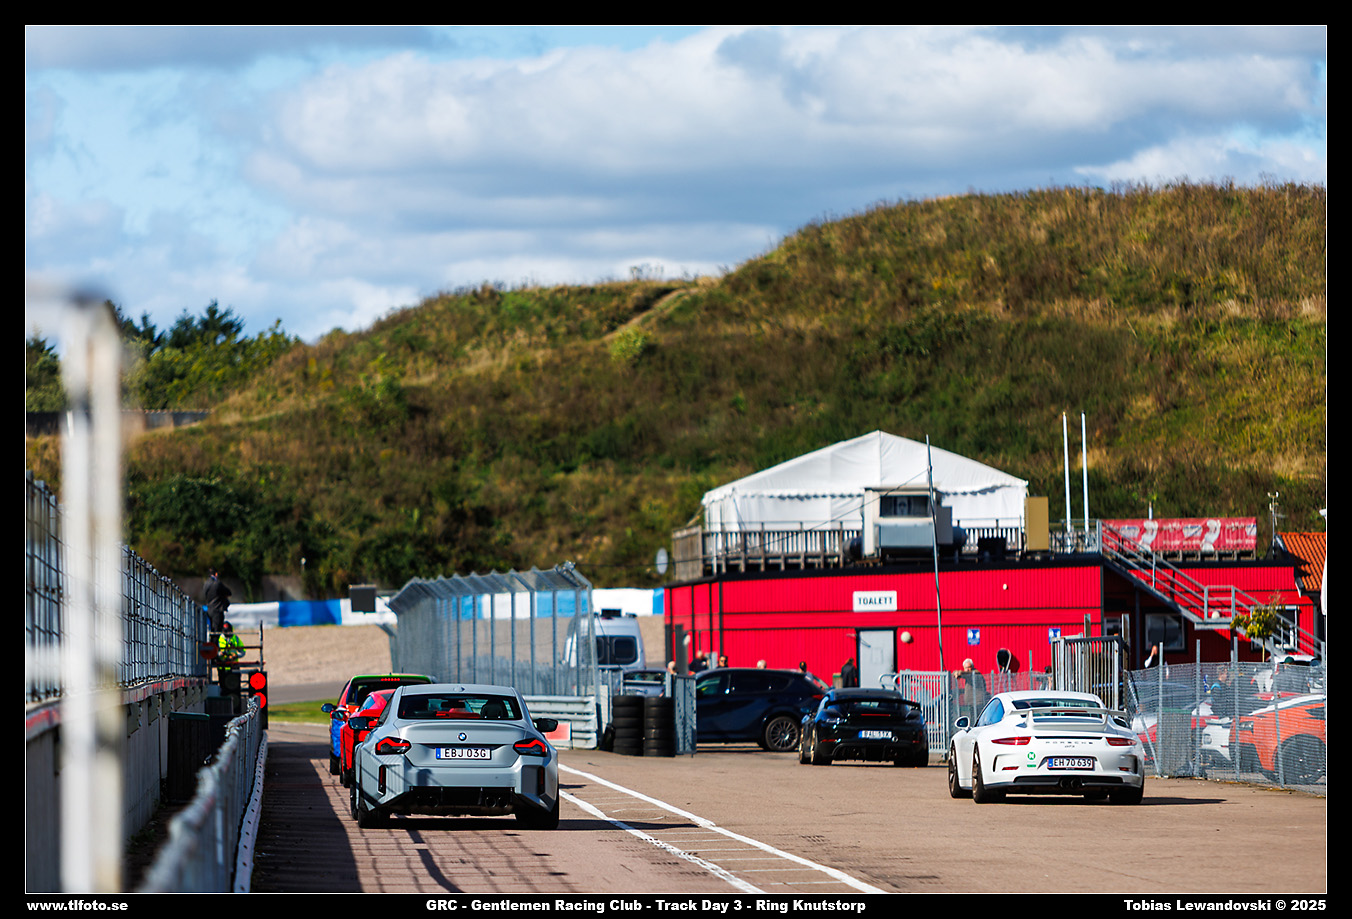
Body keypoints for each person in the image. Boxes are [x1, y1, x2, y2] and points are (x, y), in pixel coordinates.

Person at [217, 621, 245, 704]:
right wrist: (221, 654)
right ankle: (224, 706)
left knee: (235, 689)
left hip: (234, 667)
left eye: (229, 631)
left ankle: (236, 705)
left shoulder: (235, 638)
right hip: (223, 668)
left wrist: (235, 656)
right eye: (226, 631)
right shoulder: (219, 639)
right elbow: (215, 653)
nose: (228, 633)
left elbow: (243, 651)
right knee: (223, 689)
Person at [205, 568, 231, 635]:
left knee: (212, 630)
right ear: (216, 574)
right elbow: (228, 592)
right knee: (217, 631)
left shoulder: (206, 584)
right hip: (217, 609)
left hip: (209, 609)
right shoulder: (217, 583)